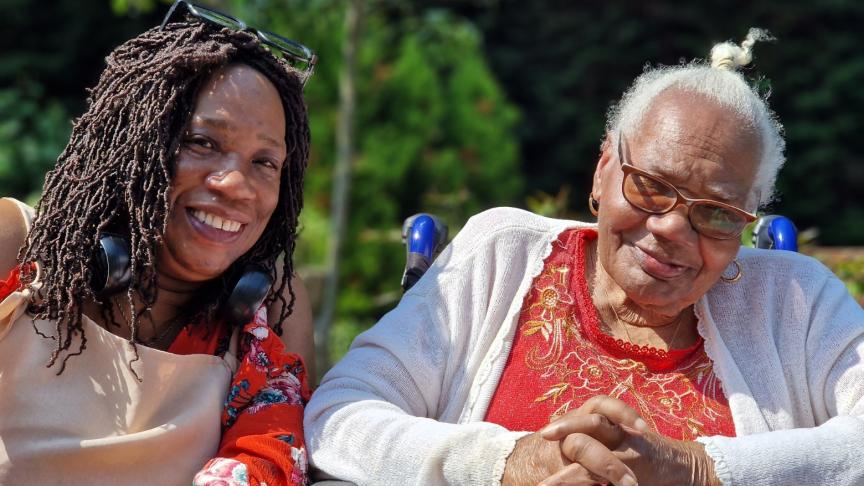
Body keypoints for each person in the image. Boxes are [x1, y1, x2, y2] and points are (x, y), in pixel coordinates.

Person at [305, 29, 864, 485]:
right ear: (603, 171)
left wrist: (697, 468)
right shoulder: (501, 254)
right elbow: (340, 415)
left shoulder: (797, 299)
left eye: (717, 212)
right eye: (648, 185)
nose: (670, 227)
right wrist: (508, 464)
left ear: (747, 218)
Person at [0, 1, 317, 484]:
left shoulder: (269, 316)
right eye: (202, 142)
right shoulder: (14, 248)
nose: (236, 184)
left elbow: (278, 459)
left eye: (265, 162)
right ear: (132, 143)